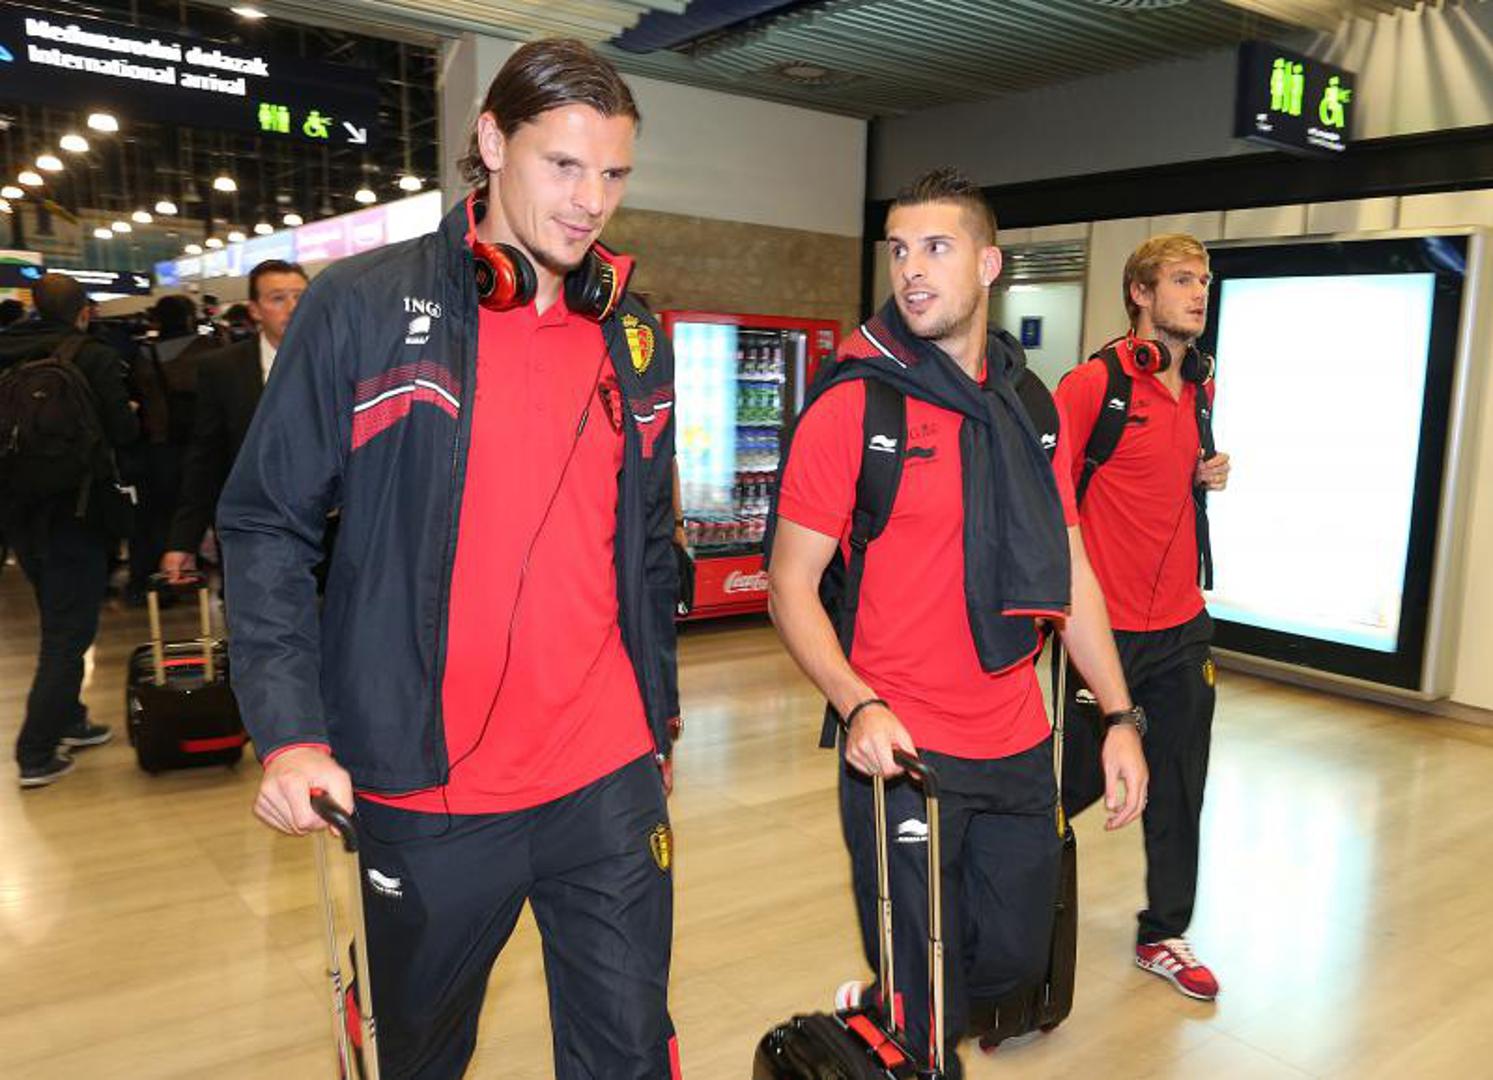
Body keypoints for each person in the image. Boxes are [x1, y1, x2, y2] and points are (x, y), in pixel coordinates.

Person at [217, 39, 681, 1079]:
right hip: (424, 786)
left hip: (605, 773)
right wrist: (290, 734)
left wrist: (656, 717)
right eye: (563, 166)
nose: (590, 202)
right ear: (491, 142)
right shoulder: (362, 306)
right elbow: (265, 523)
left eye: (613, 174)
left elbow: (648, 544)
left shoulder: (632, 336)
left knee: (629, 1051)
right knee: (417, 1056)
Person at [766, 168, 1148, 1075]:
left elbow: (1069, 571)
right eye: (899, 251)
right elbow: (789, 585)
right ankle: (901, 1016)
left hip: (1016, 739)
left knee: (1012, 962)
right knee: (927, 1006)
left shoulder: (1029, 408)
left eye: (935, 248)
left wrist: (1119, 715)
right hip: (901, 750)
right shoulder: (853, 405)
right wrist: (857, 705)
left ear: (987, 264)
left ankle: (888, 1005)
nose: (911, 270)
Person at [1053, 233, 1231, 1001]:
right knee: (1064, 789)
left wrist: (1204, 472)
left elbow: (1160, 476)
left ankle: (1162, 932)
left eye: (1203, 281)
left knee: (1180, 786)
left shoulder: (1197, 385)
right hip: (1102, 632)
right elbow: (1047, 502)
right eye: (1181, 280)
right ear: (1139, 292)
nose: (1197, 294)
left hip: (1182, 625)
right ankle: (1009, 928)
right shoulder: (1091, 387)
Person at [0, 273, 138, 787]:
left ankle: (70, 719)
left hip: (18, 512)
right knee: (68, 633)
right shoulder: (93, 356)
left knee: (57, 617)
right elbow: (122, 432)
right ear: (84, 311)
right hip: (77, 511)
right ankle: (35, 751)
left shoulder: (7, 350)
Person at [159, 261, 307, 583]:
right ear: (255, 310)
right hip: (253, 532)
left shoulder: (343, 360)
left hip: (331, 533)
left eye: (300, 296)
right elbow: (206, 456)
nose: (293, 308)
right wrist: (184, 539)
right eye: (278, 298)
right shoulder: (223, 369)